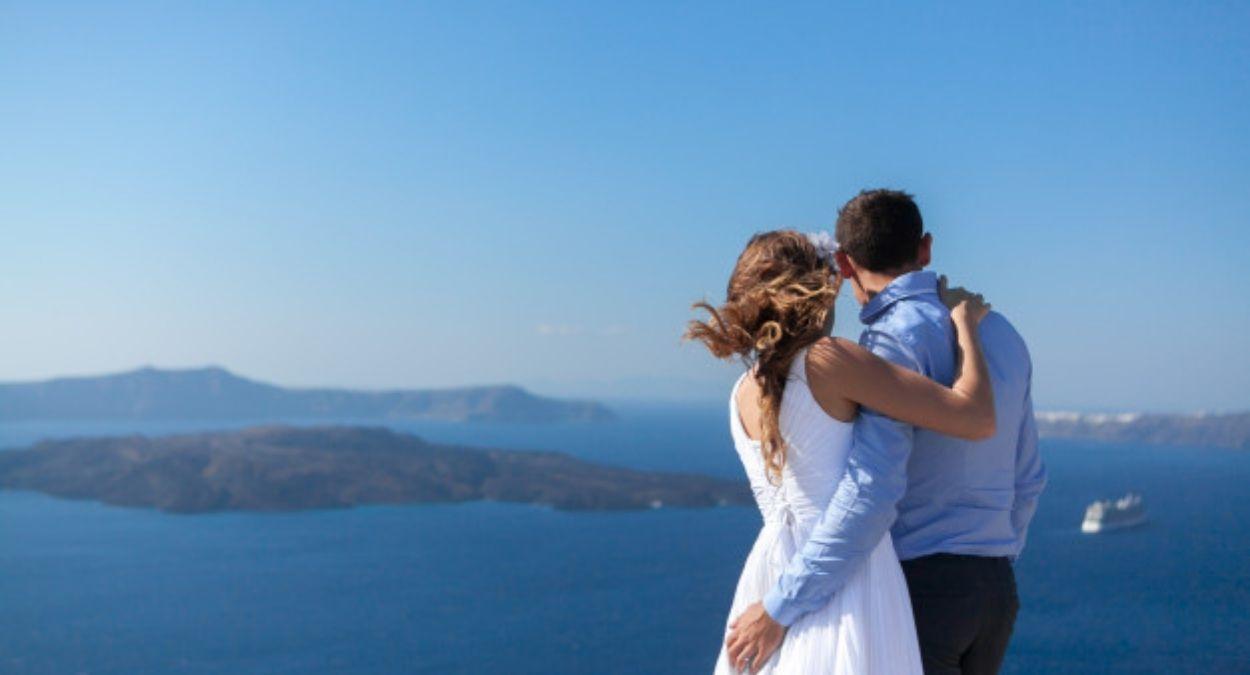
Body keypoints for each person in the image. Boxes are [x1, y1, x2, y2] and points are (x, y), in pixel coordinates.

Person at [723, 190, 1047, 675]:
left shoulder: (879, 344)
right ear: (926, 249)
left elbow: (873, 487)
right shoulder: (999, 331)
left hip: (907, 588)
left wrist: (779, 606)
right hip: (994, 590)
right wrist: (990, 565)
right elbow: (1029, 478)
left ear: (847, 265)